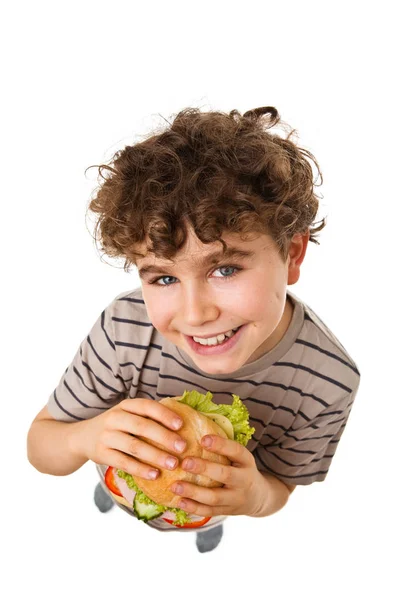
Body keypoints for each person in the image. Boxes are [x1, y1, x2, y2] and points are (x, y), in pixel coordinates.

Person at [26, 105, 360, 553]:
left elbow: (279, 485)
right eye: (164, 278)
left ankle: (208, 526)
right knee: (113, 490)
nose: (196, 314)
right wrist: (87, 437)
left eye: (224, 269)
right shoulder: (126, 329)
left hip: (213, 504)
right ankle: (110, 496)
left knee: (209, 516)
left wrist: (252, 499)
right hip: (119, 474)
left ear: (293, 254)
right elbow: (41, 443)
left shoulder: (329, 381)